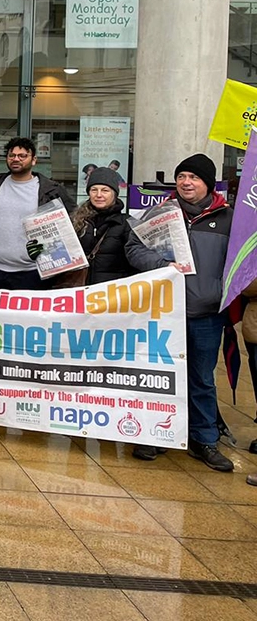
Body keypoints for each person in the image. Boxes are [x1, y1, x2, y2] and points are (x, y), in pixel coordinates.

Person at [126, 154, 234, 471]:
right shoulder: (160, 213)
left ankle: (204, 440)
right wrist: (162, 267)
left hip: (206, 313)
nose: (186, 182)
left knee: (201, 378)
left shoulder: (228, 219)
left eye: (194, 177)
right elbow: (133, 248)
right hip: (164, 313)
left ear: (208, 183)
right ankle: (157, 435)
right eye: (182, 176)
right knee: (161, 378)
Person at [0, 136, 75, 289]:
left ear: (34, 160)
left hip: (32, 274)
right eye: (12, 155)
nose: (16, 159)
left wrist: (49, 246)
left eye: (22, 156)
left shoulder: (51, 190)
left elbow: (73, 221)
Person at [31, 167, 135, 286]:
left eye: (105, 190)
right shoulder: (75, 221)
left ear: (115, 194)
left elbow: (136, 260)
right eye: (94, 190)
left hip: (110, 296)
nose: (99, 195)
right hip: (78, 293)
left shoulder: (126, 224)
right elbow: (58, 255)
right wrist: (41, 252)